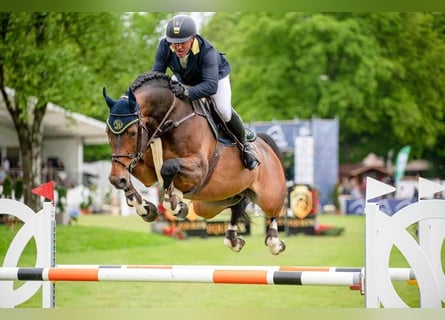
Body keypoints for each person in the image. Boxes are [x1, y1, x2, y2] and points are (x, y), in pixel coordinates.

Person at [151, 14, 259, 170]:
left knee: (223, 111)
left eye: (182, 42)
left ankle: (244, 144)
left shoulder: (207, 51)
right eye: (174, 43)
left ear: (193, 38)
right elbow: (157, 75)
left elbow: (210, 86)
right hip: (184, 79)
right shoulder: (164, 46)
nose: (178, 47)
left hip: (214, 79)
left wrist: (187, 93)